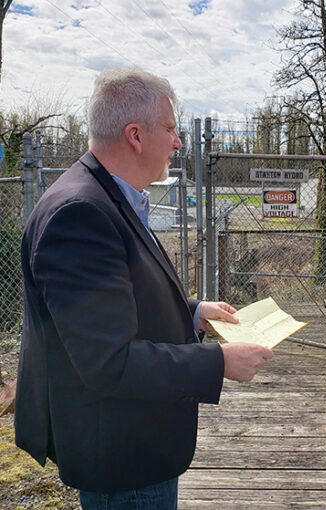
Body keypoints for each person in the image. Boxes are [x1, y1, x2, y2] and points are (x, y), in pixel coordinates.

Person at [15, 67, 273, 509]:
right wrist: (218, 363)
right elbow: (107, 361)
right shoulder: (80, 214)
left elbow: (117, 301)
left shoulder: (106, 194)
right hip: (123, 458)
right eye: (171, 129)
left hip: (129, 444)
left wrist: (193, 312)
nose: (177, 142)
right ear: (135, 135)